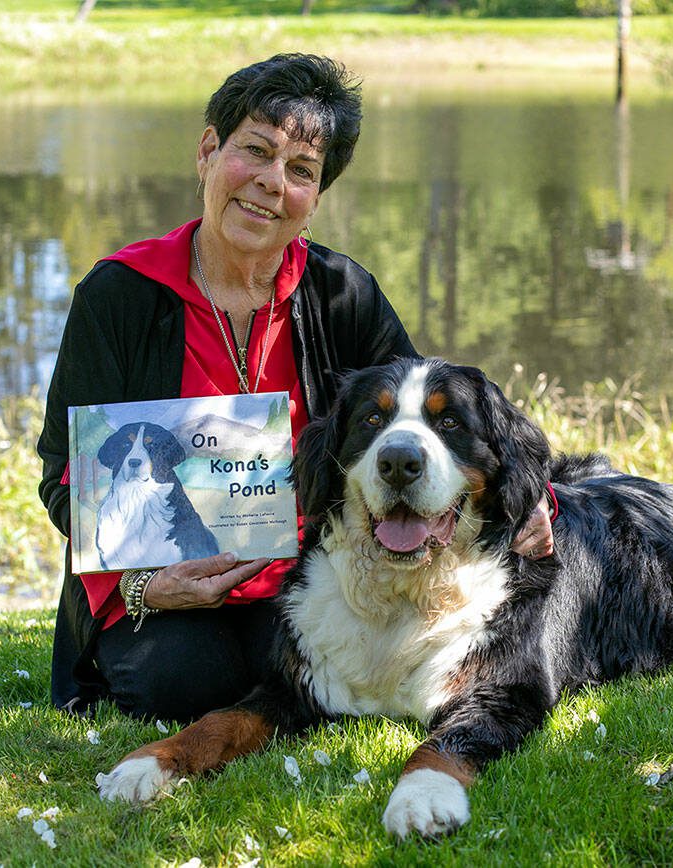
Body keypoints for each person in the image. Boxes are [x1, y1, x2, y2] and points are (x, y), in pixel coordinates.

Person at [37, 54, 552, 722]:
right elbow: (63, 476)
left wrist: (537, 500)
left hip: (313, 581)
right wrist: (144, 584)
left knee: (296, 670)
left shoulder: (344, 294)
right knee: (180, 682)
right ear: (207, 151)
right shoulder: (119, 296)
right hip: (164, 589)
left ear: (315, 199)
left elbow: (438, 419)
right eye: (255, 151)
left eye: (301, 171)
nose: (271, 184)